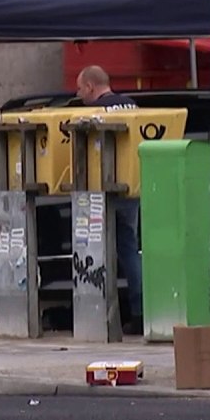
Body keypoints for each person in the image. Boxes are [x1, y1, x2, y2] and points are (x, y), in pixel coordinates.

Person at [75, 65, 144, 335]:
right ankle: (139, 312)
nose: (79, 94)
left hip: (103, 189)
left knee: (99, 251)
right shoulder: (131, 105)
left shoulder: (94, 113)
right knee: (129, 250)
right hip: (132, 187)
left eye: (80, 89)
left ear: (91, 87)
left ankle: (104, 316)